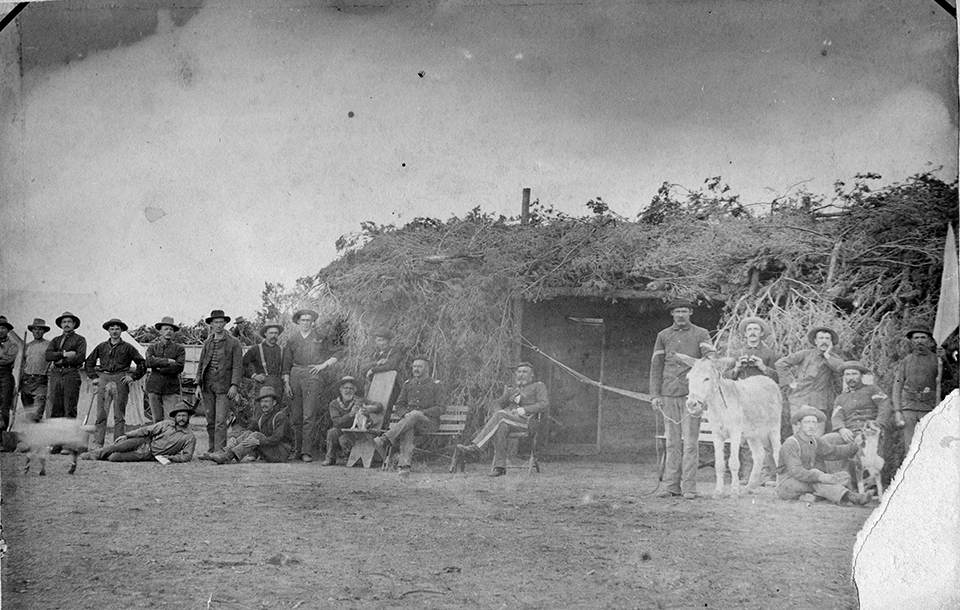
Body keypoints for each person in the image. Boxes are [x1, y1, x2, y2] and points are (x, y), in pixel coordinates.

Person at [649, 299, 717, 499]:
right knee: (671, 443)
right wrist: (655, 395)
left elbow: (710, 355)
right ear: (672, 314)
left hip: (691, 397)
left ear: (690, 313)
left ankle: (689, 488)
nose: (680, 315)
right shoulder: (663, 336)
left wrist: (709, 358)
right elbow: (656, 366)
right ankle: (671, 487)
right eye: (677, 311)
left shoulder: (701, 333)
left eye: (684, 311)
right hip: (668, 395)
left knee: (690, 443)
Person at [455, 362, 549, 477]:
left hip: (529, 422)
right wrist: (501, 412)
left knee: (500, 417)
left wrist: (522, 410)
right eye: (519, 372)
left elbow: (543, 405)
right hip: (509, 421)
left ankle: (476, 447)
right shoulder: (512, 390)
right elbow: (495, 404)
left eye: (525, 372)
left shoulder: (538, 386)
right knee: (501, 425)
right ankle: (500, 467)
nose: (521, 374)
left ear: (532, 375)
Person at [776, 406, 873, 506]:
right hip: (787, 484)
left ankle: (812, 495)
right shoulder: (791, 443)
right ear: (799, 425)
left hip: (807, 481)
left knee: (843, 476)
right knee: (818, 479)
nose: (811, 426)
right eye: (807, 422)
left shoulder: (813, 441)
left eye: (814, 422)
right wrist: (820, 476)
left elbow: (833, 452)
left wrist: (855, 446)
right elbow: (796, 472)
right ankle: (853, 497)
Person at [724, 316, 780, 485]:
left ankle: (767, 476)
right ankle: (747, 475)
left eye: (756, 329)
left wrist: (763, 367)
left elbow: (778, 377)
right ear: (745, 334)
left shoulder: (769, 354)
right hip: (743, 399)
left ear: (761, 333)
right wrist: (737, 369)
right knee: (744, 438)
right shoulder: (737, 354)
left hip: (762, 399)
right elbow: (725, 377)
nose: (753, 332)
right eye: (749, 330)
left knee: (765, 437)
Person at [281, 308, 340, 462]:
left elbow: (336, 354)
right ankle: (297, 450)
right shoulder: (292, 339)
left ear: (313, 322)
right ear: (298, 322)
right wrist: (287, 383)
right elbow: (286, 364)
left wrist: (323, 365)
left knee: (309, 415)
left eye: (309, 320)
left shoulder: (320, 337)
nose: (306, 323)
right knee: (296, 416)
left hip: (312, 375)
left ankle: (306, 452)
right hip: (295, 374)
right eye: (303, 320)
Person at [373, 356, 444, 477]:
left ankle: (385, 438)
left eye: (419, 366)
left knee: (415, 415)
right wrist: (405, 414)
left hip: (429, 422)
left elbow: (441, 408)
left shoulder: (436, 385)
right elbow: (400, 404)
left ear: (427, 368)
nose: (416, 369)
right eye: (414, 366)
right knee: (409, 428)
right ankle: (404, 467)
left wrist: (422, 413)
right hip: (410, 422)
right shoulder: (408, 384)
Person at [84, 319, 147, 448]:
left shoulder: (128, 347)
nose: (114, 331)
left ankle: (118, 444)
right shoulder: (101, 347)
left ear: (121, 331)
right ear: (108, 331)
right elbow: (89, 362)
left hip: (120, 379)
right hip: (104, 377)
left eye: (117, 329)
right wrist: (94, 377)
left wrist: (133, 377)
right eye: (112, 329)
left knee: (119, 415)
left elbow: (142, 363)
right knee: (101, 414)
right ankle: (98, 442)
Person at [775, 325, 845, 432]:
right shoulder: (805, 354)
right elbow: (781, 364)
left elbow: (842, 369)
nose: (824, 342)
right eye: (821, 338)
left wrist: (827, 355)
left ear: (831, 343)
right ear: (815, 341)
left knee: (816, 437)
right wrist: (790, 382)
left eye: (827, 339)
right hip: (798, 400)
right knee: (799, 435)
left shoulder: (833, 358)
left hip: (819, 403)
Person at [200, 386, 293, 464]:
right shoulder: (261, 417)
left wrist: (258, 442)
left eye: (267, 401)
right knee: (249, 432)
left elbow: (277, 438)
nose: (264, 404)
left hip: (281, 452)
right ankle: (224, 451)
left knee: (256, 435)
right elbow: (248, 431)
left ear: (274, 403)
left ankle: (227, 456)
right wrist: (235, 440)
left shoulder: (280, 417)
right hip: (270, 450)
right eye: (262, 401)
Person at [82, 401, 196, 462]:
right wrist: (127, 436)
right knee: (119, 446)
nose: (181, 418)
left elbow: (187, 456)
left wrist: (171, 457)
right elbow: (146, 430)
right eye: (179, 415)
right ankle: (94, 455)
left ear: (188, 418)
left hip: (152, 455)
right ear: (175, 417)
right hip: (144, 441)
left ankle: (104, 456)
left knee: (114, 457)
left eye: (184, 416)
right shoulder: (166, 424)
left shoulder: (189, 437)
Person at [194, 310, 243, 453]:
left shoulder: (234, 342)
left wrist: (234, 385)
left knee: (220, 421)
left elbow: (237, 366)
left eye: (221, 322)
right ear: (211, 324)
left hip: (224, 386)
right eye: (216, 322)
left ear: (225, 323)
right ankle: (211, 449)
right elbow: (201, 364)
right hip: (207, 385)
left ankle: (220, 451)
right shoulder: (207, 342)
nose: (219, 325)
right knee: (210, 420)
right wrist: (198, 385)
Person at [892, 327, 942, 450]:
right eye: (916, 338)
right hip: (909, 407)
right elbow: (897, 385)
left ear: (930, 340)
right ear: (912, 341)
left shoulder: (937, 360)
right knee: (910, 446)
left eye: (923, 337)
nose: (919, 341)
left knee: (929, 444)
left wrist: (944, 359)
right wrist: (898, 411)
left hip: (929, 407)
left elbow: (949, 378)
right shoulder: (905, 361)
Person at [322, 375, 383, 466]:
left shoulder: (358, 401)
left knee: (346, 440)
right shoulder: (334, 404)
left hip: (356, 430)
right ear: (340, 390)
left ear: (355, 390)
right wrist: (350, 415)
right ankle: (330, 458)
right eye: (345, 388)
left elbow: (379, 405)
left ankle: (352, 457)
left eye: (351, 388)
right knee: (332, 432)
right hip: (341, 429)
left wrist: (371, 408)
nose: (348, 391)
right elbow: (336, 422)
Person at [45, 311, 87, 419]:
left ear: (74, 324)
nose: (66, 324)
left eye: (69, 321)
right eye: (64, 322)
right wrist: (64, 354)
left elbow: (80, 357)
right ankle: (56, 435)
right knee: (55, 405)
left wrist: (61, 361)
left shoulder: (80, 340)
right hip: (56, 374)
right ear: (61, 325)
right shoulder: (55, 340)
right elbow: (48, 355)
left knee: (70, 406)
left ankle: (70, 435)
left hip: (71, 373)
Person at [144, 316, 186, 423]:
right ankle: (158, 440)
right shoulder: (152, 348)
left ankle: (170, 440)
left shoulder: (179, 349)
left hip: (171, 388)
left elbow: (179, 367)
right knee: (156, 420)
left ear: (174, 332)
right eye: (166, 329)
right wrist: (167, 361)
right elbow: (148, 362)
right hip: (154, 387)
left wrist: (158, 366)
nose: (168, 332)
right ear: (160, 331)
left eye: (171, 329)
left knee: (171, 420)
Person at [242, 319, 285, 406]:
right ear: (265, 334)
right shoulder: (256, 349)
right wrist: (254, 376)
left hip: (278, 386)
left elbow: (287, 367)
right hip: (262, 385)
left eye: (276, 333)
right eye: (271, 333)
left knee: (276, 412)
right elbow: (242, 365)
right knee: (260, 412)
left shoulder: (282, 350)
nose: (274, 336)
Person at [20, 318, 52, 422]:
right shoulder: (27, 346)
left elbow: (54, 360)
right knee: (28, 413)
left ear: (44, 331)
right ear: (32, 331)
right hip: (26, 380)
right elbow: (21, 364)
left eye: (40, 329)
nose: (37, 332)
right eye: (35, 329)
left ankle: (36, 434)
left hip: (41, 381)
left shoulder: (49, 345)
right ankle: (29, 436)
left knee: (37, 412)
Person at [0, 316, 20, 430]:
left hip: (5, 375)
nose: (1, 330)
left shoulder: (13, 345)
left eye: (3, 328)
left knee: (4, 406)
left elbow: (9, 360)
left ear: (7, 330)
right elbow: (4, 358)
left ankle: (2, 436)